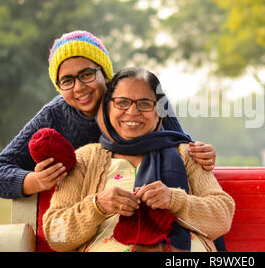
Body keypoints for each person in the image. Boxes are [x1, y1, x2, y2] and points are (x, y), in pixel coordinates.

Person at [0, 31, 216, 199]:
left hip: (153, 198)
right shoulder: (53, 115)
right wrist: (35, 181)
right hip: (91, 212)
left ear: (104, 73)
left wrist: (202, 153)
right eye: (67, 80)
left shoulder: (140, 94)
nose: (78, 87)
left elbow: (180, 144)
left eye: (86, 74)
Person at [42, 68, 235, 252]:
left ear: (158, 110)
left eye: (144, 103)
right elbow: (55, 234)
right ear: (108, 107)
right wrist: (96, 206)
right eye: (122, 102)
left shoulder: (187, 153)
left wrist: (174, 200)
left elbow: (222, 216)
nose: (133, 112)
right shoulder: (85, 159)